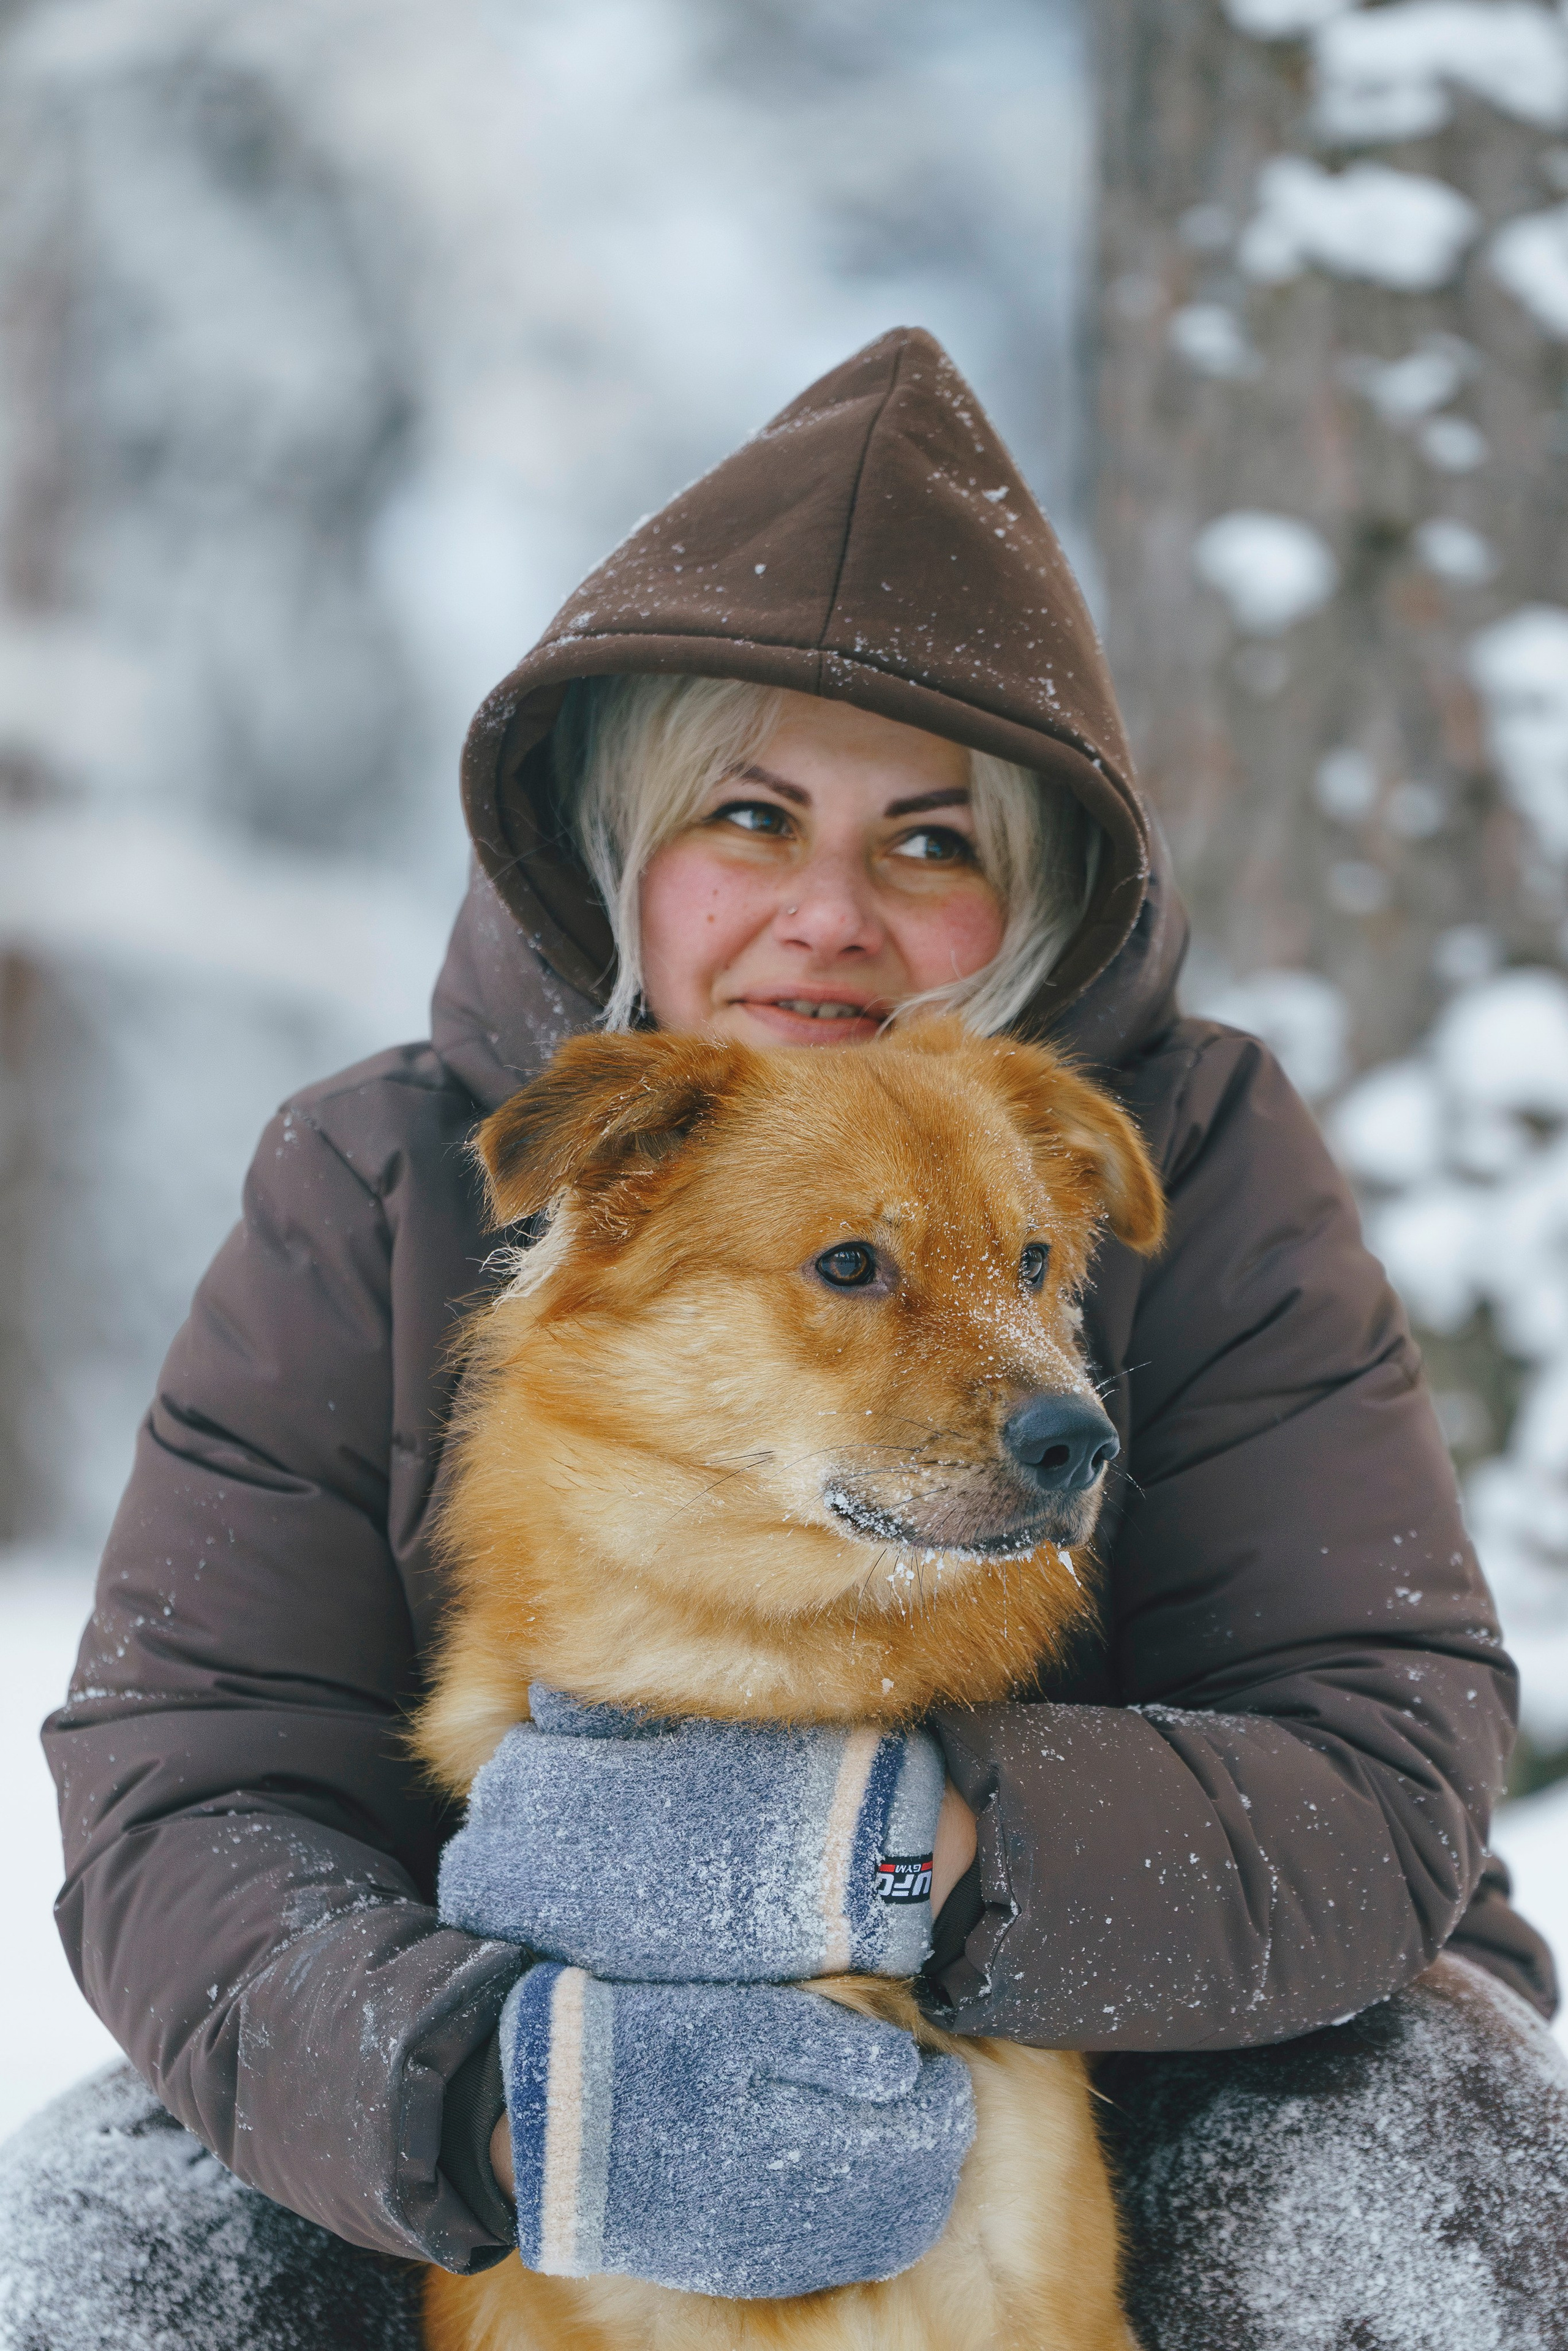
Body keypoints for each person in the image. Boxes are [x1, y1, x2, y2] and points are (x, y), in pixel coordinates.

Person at [9, 328, 1567, 2349]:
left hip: (1176, 2025)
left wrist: (921, 1854)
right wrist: (497, 2097)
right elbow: (187, 1790)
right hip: (507, 2015)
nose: (832, 912)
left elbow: (1387, 1759)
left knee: (1427, 2127)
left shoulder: (1189, 1154)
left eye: (931, 840)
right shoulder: (380, 1179)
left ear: (1023, 896)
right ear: (623, 845)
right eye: (751, 817)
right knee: (108, 2235)